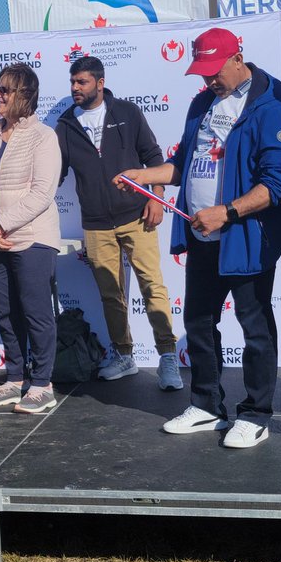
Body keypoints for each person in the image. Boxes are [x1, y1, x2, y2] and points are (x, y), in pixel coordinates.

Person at [117, 29, 281, 449]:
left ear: (238, 58)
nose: (207, 81)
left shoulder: (271, 108)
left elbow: (275, 185)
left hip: (246, 236)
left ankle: (255, 413)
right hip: (201, 234)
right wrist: (143, 175)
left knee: (255, 327)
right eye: (201, 73)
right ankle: (207, 405)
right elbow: (182, 165)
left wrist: (227, 211)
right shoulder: (202, 101)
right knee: (199, 321)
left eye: (213, 72)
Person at [56, 56, 182, 391]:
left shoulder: (127, 112)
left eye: (81, 82)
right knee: (111, 294)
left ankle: (168, 357)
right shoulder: (66, 124)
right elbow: (55, 174)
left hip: (136, 215)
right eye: (72, 82)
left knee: (152, 286)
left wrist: (157, 197)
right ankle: (124, 355)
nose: (75, 89)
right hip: (96, 223)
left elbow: (154, 158)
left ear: (100, 81)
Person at [0, 62, 63, 414]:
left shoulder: (43, 137)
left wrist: (1, 225)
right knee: (5, 314)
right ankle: (14, 379)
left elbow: (42, 193)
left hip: (32, 239)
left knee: (36, 313)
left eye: (4, 90)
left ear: (23, 95)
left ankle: (42, 384)